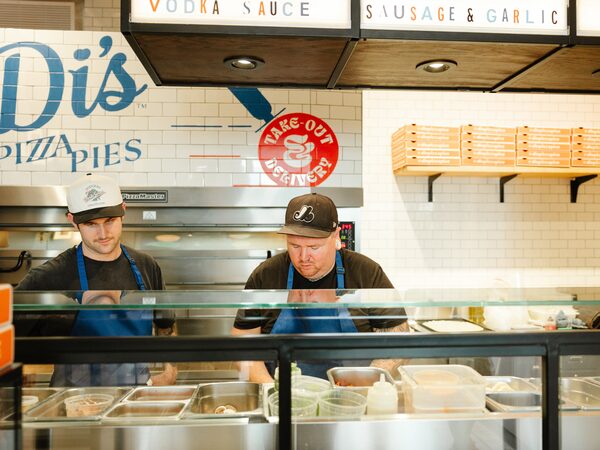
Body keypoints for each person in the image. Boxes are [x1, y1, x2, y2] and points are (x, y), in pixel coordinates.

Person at [16, 173, 176, 386]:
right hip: (73, 399)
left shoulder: (146, 266)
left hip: (134, 396)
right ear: (73, 221)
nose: (103, 233)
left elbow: (166, 325)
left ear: (123, 211)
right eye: (91, 224)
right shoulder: (48, 276)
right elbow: (7, 331)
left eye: (110, 221)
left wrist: (169, 371)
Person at [232, 193, 408, 382]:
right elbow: (242, 345)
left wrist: (363, 383)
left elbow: (399, 344)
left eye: (314, 247)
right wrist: (270, 388)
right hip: (281, 391)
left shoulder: (366, 273)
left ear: (336, 236)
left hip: (352, 392)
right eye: (294, 246)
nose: (303, 257)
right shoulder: (266, 274)